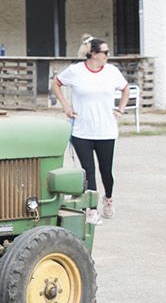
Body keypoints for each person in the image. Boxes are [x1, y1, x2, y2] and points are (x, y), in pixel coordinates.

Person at [51, 36, 129, 225]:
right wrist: (66, 106)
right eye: (105, 52)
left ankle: (108, 199)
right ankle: (91, 209)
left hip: (106, 130)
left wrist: (121, 108)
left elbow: (125, 88)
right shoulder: (76, 71)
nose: (108, 56)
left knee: (106, 171)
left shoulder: (111, 71)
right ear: (93, 54)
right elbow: (56, 83)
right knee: (88, 171)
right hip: (82, 130)